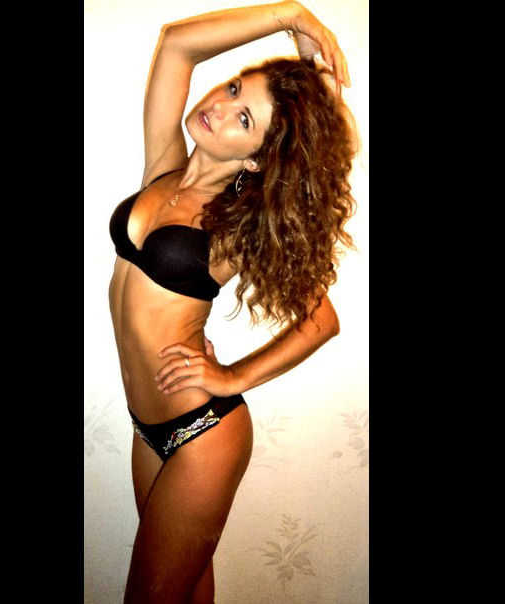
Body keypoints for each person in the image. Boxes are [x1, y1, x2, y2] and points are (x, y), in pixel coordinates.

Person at [108, 1, 358, 601]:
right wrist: (291, 17)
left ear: (255, 158)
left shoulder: (236, 227)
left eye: (243, 118)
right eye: (235, 87)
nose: (218, 106)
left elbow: (322, 320)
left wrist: (230, 376)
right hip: (148, 429)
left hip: (203, 435)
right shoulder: (164, 168)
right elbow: (176, 44)